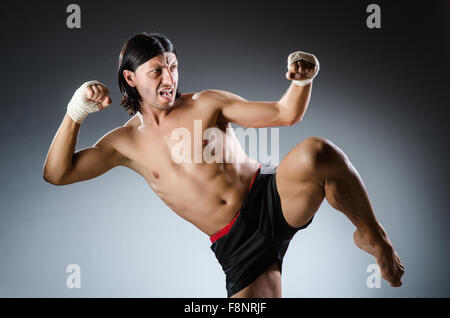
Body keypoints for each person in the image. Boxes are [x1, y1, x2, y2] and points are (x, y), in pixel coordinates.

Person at [43, 32, 404, 297]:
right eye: (156, 71)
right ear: (130, 78)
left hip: (270, 199)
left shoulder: (206, 103)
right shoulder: (124, 143)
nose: (169, 79)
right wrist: (76, 113)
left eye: (173, 67)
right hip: (234, 246)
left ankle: (375, 238)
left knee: (317, 152)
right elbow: (56, 174)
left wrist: (303, 79)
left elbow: (285, 113)